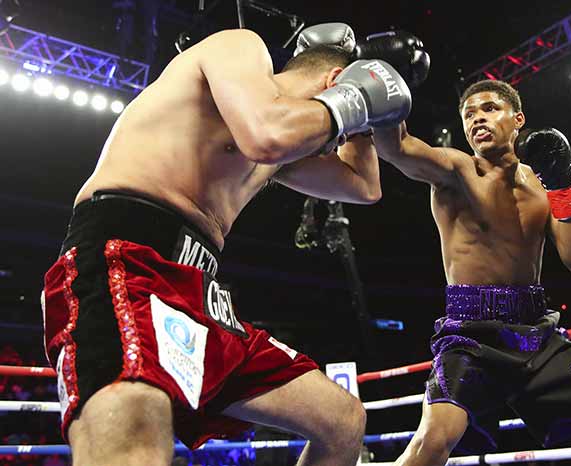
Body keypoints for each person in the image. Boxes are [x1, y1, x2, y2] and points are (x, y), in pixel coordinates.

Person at [41, 23, 412, 466]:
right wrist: (355, 100)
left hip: (201, 291)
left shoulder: (277, 152)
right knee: (134, 444)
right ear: (333, 84)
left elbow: (363, 187)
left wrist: (365, 118)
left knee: (341, 419)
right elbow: (268, 134)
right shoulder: (239, 48)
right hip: (127, 257)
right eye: (344, 124)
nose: (338, 138)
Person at [374, 78, 571, 466]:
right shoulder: (456, 170)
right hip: (471, 335)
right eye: (469, 114)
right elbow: (397, 147)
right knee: (430, 445)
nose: (477, 119)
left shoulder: (543, 186)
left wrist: (562, 186)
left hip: (536, 335)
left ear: (518, 118)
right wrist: (384, 84)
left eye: (489, 108)